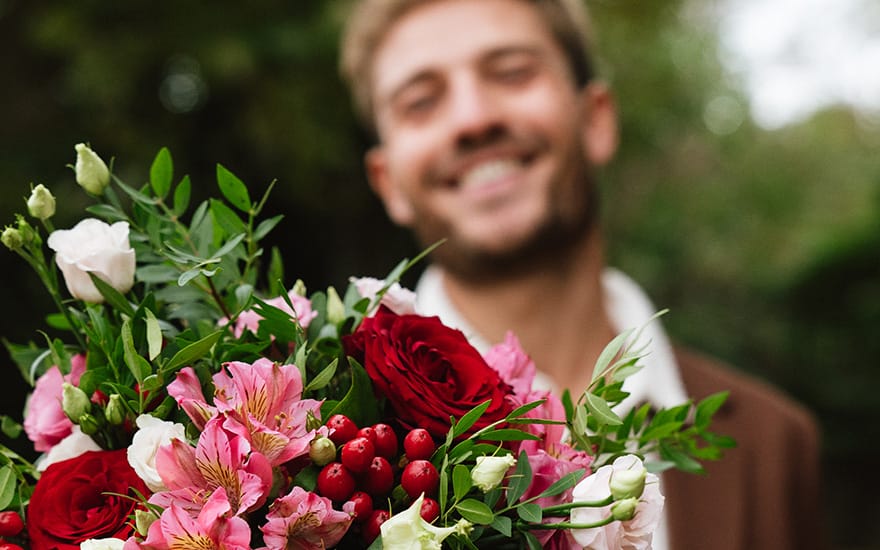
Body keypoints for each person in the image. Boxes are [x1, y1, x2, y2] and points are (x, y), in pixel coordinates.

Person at [339, 0, 822, 548]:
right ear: (388, 183)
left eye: (512, 72)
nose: (473, 119)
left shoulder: (775, 442)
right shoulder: (313, 444)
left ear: (596, 118)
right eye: (421, 102)